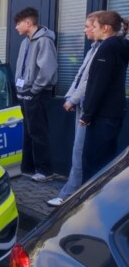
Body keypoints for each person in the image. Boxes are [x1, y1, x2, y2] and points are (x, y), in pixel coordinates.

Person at [47, 14, 100, 207]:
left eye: (88, 26)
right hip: (81, 105)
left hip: (88, 108)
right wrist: (70, 96)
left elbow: (89, 81)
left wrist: (73, 99)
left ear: (101, 27)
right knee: (78, 152)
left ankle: (70, 195)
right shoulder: (93, 49)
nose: (85, 30)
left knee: (80, 152)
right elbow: (80, 75)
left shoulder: (103, 50)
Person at [79, 10, 129, 182]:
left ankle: (90, 196)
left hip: (103, 115)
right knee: (105, 158)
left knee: (93, 161)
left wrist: (87, 114)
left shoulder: (108, 47)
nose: (91, 29)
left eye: (94, 26)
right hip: (113, 113)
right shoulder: (120, 45)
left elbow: (99, 84)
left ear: (105, 28)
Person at [13, 7, 58, 183]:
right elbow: (21, 67)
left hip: (37, 94)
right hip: (24, 92)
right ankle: (29, 168)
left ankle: (45, 171)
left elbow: (48, 69)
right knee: (28, 131)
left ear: (28, 23)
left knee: (38, 131)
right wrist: (21, 89)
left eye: (18, 23)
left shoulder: (44, 41)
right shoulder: (25, 42)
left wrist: (35, 89)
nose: (16, 27)